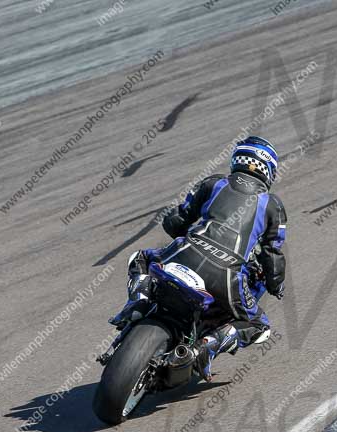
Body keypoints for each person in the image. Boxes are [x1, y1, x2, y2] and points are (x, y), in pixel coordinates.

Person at [109, 136, 287, 381]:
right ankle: (206, 347)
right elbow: (272, 254)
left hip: (185, 254)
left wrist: (184, 230)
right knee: (259, 325)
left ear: (238, 160)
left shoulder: (213, 184)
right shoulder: (273, 206)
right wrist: (276, 284)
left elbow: (176, 222)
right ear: (268, 170)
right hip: (227, 275)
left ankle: (138, 303)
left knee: (140, 258)